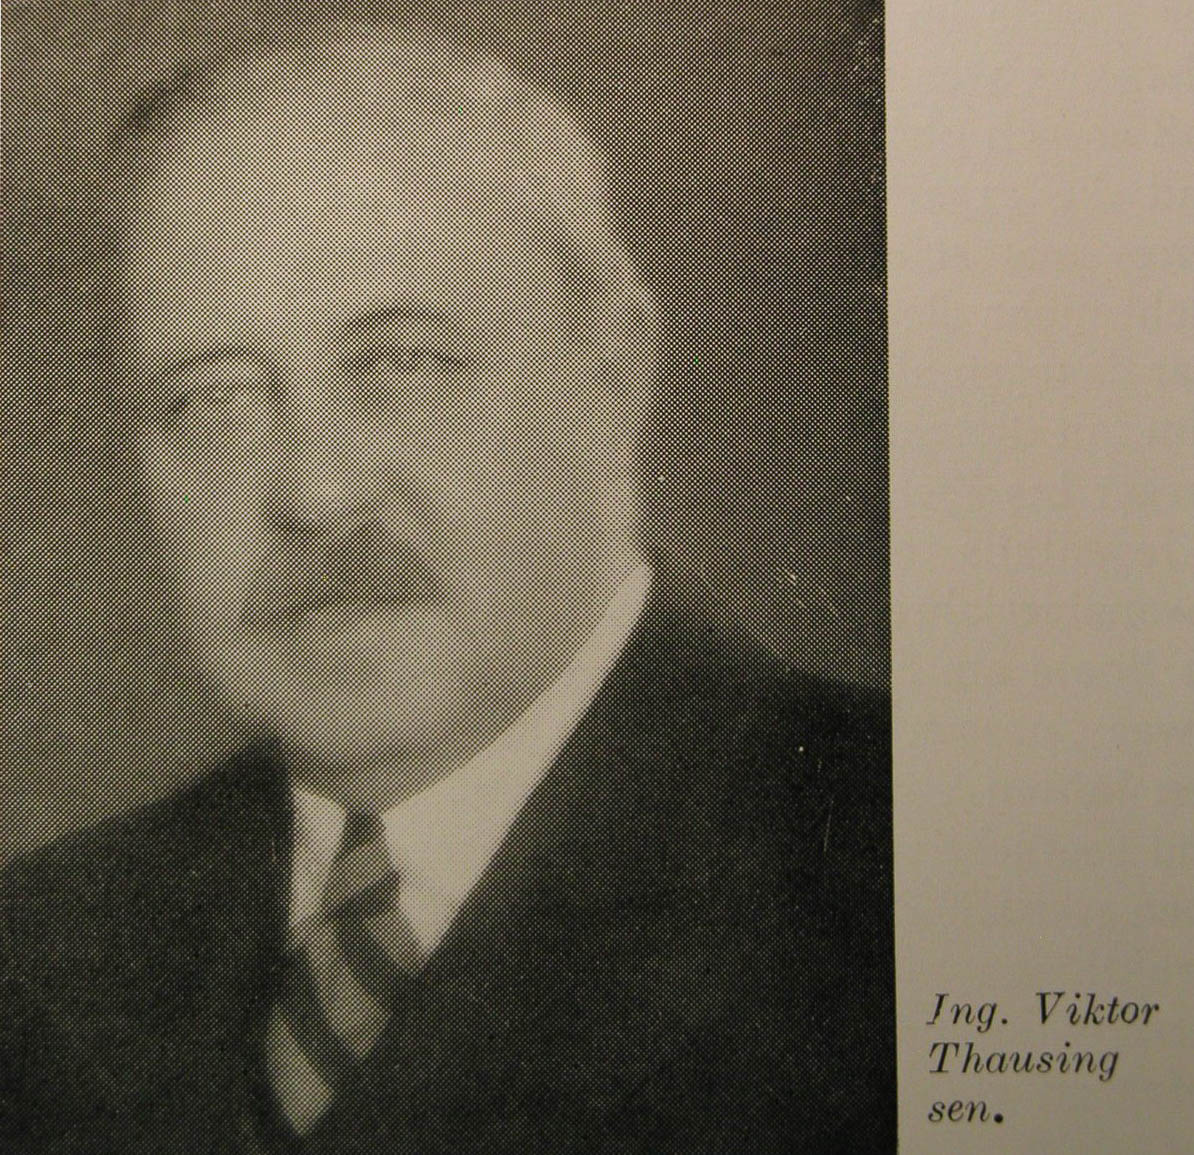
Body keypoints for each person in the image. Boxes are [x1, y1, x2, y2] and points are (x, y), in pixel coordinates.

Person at [0, 20, 895, 1153]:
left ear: (612, 373)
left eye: (401, 363)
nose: (314, 492)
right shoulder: (41, 946)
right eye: (212, 397)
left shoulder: (898, 863)